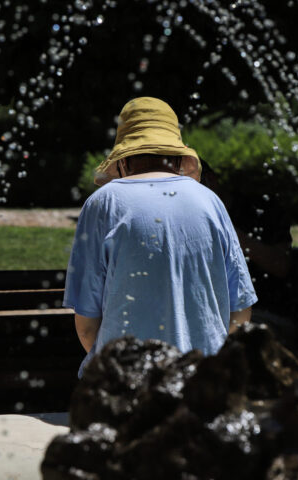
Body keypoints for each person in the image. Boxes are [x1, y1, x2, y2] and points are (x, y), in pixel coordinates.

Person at [63, 97, 257, 377]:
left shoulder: (103, 203)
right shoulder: (209, 201)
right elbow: (240, 311)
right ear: (178, 157)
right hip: (201, 382)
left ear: (123, 160)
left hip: (127, 382)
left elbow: (86, 325)